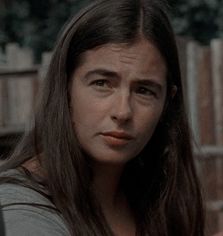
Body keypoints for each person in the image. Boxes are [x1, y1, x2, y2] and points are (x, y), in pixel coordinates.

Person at [0, 0, 205, 235]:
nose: (122, 111)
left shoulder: (157, 199)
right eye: (102, 83)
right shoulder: (20, 210)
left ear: (167, 102)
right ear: (65, 87)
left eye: (144, 90)